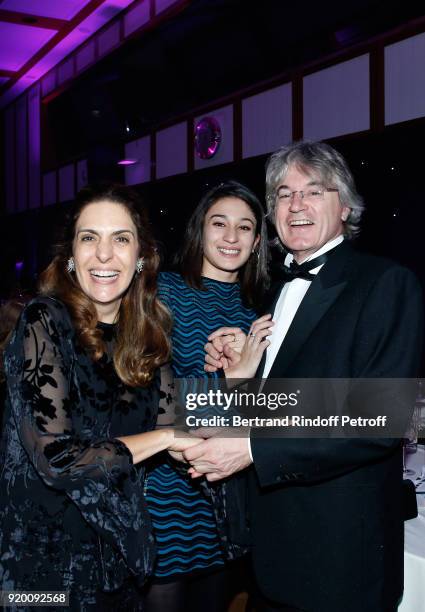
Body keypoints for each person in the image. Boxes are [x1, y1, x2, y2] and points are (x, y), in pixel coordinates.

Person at [185, 141, 424, 612]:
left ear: (346, 206)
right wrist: (241, 378)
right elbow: (282, 408)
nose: (296, 205)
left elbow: (382, 420)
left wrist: (251, 448)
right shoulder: (273, 295)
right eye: (283, 193)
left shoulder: (386, 284)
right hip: (271, 555)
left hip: (338, 563)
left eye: (313, 191)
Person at [0, 184, 199, 611]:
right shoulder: (44, 320)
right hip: (42, 568)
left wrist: (238, 392)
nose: (104, 255)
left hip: (118, 560)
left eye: (120, 239)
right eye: (89, 237)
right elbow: (58, 461)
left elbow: (174, 428)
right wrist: (167, 441)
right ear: (71, 254)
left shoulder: (149, 335)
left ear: (141, 256)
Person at [143, 181, 269, 612]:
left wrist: (250, 384)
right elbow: (147, 408)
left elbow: (258, 415)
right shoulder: (162, 295)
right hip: (164, 493)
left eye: (245, 227)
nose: (231, 237)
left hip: (223, 501)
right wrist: (232, 378)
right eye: (220, 223)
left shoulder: (259, 315)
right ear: (200, 230)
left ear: (257, 242)